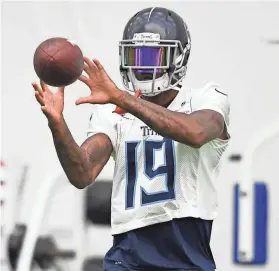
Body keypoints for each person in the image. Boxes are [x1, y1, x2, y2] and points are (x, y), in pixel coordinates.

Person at [32, 7, 230, 271]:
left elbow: (194, 133)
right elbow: (82, 172)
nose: (142, 65)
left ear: (179, 56)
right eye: (135, 55)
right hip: (127, 258)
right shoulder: (112, 112)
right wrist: (57, 123)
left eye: (151, 55)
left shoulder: (206, 98)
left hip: (187, 257)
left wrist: (121, 97)